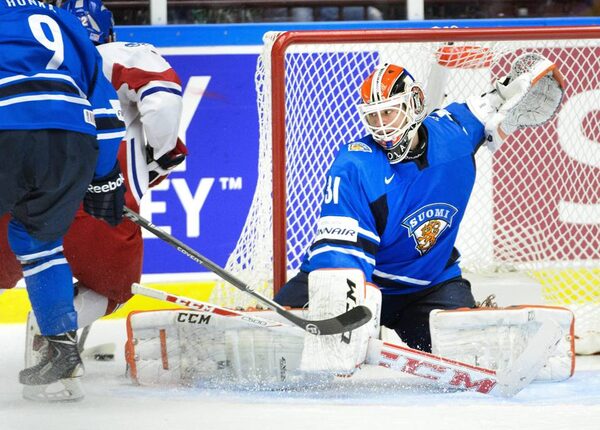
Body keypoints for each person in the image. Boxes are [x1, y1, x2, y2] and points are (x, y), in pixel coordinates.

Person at [274, 58, 565, 372]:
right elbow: (340, 260)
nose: (382, 127)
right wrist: (341, 317)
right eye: (373, 116)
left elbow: (494, 102)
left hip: (429, 286)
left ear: (413, 104)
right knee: (278, 345)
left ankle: (481, 328)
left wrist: (515, 89)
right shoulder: (356, 166)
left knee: (472, 358)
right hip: (360, 283)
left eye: (389, 112)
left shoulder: (454, 135)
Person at [0, 0, 186, 370]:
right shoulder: (120, 53)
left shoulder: (22, 46)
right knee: (114, 289)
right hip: (98, 206)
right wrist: (162, 152)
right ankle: (55, 332)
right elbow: (160, 102)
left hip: (17, 194)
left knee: (23, 249)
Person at [0, 0, 126, 401]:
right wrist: (104, 178)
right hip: (72, 138)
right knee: (38, 241)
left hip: (5, 123)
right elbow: (107, 115)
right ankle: (60, 349)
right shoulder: (65, 23)